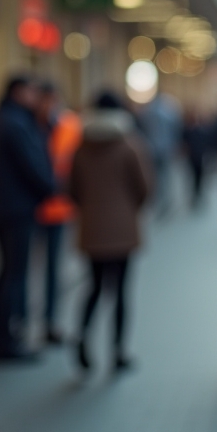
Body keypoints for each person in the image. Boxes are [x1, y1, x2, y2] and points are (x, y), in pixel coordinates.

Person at [69, 92, 151, 373]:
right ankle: (117, 352)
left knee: (93, 286)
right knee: (121, 291)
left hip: (91, 227)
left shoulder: (81, 146)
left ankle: (81, 335)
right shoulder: (129, 144)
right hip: (123, 228)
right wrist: (129, 210)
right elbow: (144, 187)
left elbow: (72, 189)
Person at [0, 75, 55, 362]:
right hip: (19, 209)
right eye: (33, 91)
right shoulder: (17, 125)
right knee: (14, 274)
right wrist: (50, 188)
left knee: (5, 271)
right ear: (19, 92)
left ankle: (1, 336)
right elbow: (33, 166)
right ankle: (7, 340)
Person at [33, 81, 81, 345]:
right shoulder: (29, 127)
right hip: (33, 206)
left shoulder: (69, 126)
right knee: (25, 269)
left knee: (53, 269)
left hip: (59, 208)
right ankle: (23, 320)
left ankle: (50, 321)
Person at [181, 109, 213, 209]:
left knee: (200, 176)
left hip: (200, 156)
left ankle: (198, 193)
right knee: (193, 176)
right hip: (193, 156)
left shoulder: (203, 130)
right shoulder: (188, 130)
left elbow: (208, 143)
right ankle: (195, 193)